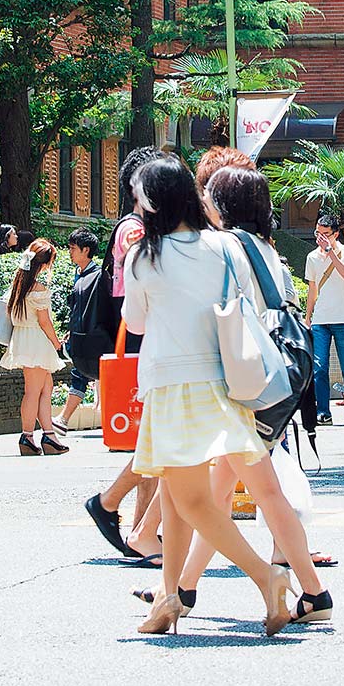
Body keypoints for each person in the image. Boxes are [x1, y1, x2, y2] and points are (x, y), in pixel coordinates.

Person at [148, 166, 331, 626]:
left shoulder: (231, 247)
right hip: (274, 373)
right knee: (219, 492)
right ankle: (181, 590)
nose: (203, 202)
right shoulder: (265, 247)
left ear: (224, 204)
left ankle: (311, 590)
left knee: (261, 491)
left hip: (246, 379)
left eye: (210, 196)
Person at [123, 156, 294, 637]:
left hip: (172, 383)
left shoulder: (143, 256)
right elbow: (249, 302)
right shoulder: (226, 245)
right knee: (179, 501)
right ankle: (168, 597)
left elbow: (135, 323)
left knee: (191, 501)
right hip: (222, 381)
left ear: (151, 201)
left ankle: (268, 576)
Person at [83, 146, 168, 561]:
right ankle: (112, 505)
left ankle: (138, 526)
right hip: (138, 336)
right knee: (155, 435)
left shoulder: (141, 226)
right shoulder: (134, 230)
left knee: (155, 435)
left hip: (145, 335)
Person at [2, 237, 70, 456]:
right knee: (33, 391)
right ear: (43, 263)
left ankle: (48, 434)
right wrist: (57, 343)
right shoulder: (37, 287)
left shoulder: (19, 284)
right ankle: (28, 435)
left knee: (45, 388)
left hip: (23, 338)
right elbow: (44, 321)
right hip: (36, 340)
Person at [305, 214, 344, 426]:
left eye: (325, 234)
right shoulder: (312, 257)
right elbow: (312, 288)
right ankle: (323, 411)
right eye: (317, 233)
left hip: (343, 318)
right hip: (320, 319)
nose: (320, 238)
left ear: (335, 234)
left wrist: (330, 252)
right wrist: (307, 316)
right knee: (319, 367)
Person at [59, 229, 105, 432]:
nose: (69, 252)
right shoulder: (79, 274)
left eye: (73, 248)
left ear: (86, 250)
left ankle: (63, 419)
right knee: (82, 373)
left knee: (81, 373)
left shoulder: (98, 276)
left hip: (92, 335)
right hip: (79, 333)